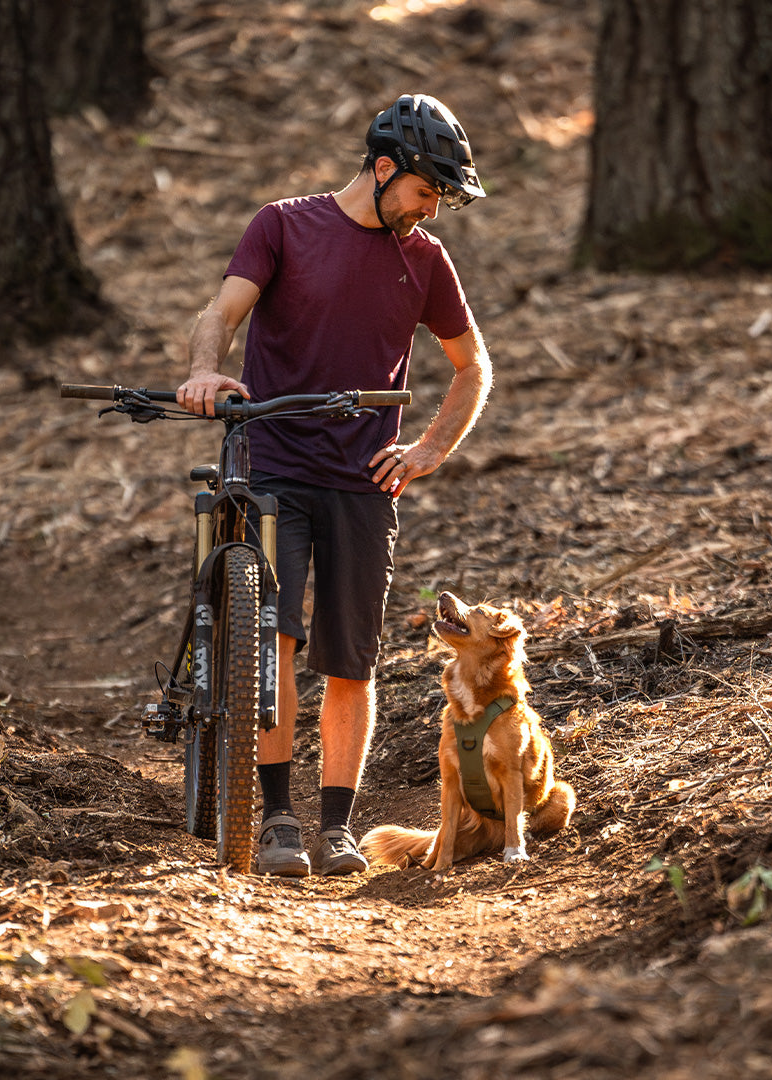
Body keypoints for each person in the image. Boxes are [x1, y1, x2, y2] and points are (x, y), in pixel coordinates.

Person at [176, 93, 492, 877]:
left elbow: (471, 366)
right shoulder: (283, 224)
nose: (429, 213)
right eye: (424, 194)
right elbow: (223, 312)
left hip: (363, 480)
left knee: (351, 661)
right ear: (384, 168)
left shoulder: (424, 259)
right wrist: (204, 369)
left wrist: (426, 450)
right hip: (273, 462)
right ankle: (278, 816)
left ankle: (337, 826)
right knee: (274, 640)